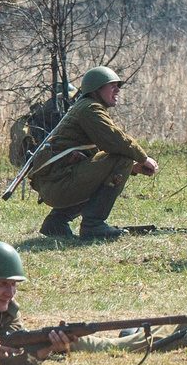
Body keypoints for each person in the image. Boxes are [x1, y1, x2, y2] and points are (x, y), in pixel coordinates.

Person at [29, 67, 160, 243]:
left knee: (123, 160)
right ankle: (93, 224)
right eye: (111, 85)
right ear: (96, 90)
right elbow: (116, 140)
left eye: (117, 85)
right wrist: (144, 158)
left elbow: (98, 157)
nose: (117, 90)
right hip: (58, 185)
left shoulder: (87, 108)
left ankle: (56, 222)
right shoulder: (90, 109)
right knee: (123, 157)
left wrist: (133, 168)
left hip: (56, 184)